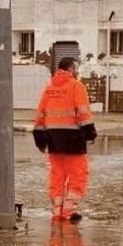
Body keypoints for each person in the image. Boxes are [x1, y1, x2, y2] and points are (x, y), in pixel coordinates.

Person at [33, 57, 97, 221]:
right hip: (73, 139)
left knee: (57, 177)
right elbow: (83, 113)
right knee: (78, 175)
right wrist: (90, 133)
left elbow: (40, 115)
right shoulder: (77, 86)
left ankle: (57, 211)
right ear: (70, 69)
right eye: (76, 68)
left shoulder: (48, 89)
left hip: (53, 139)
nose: (77, 71)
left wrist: (40, 138)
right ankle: (69, 211)